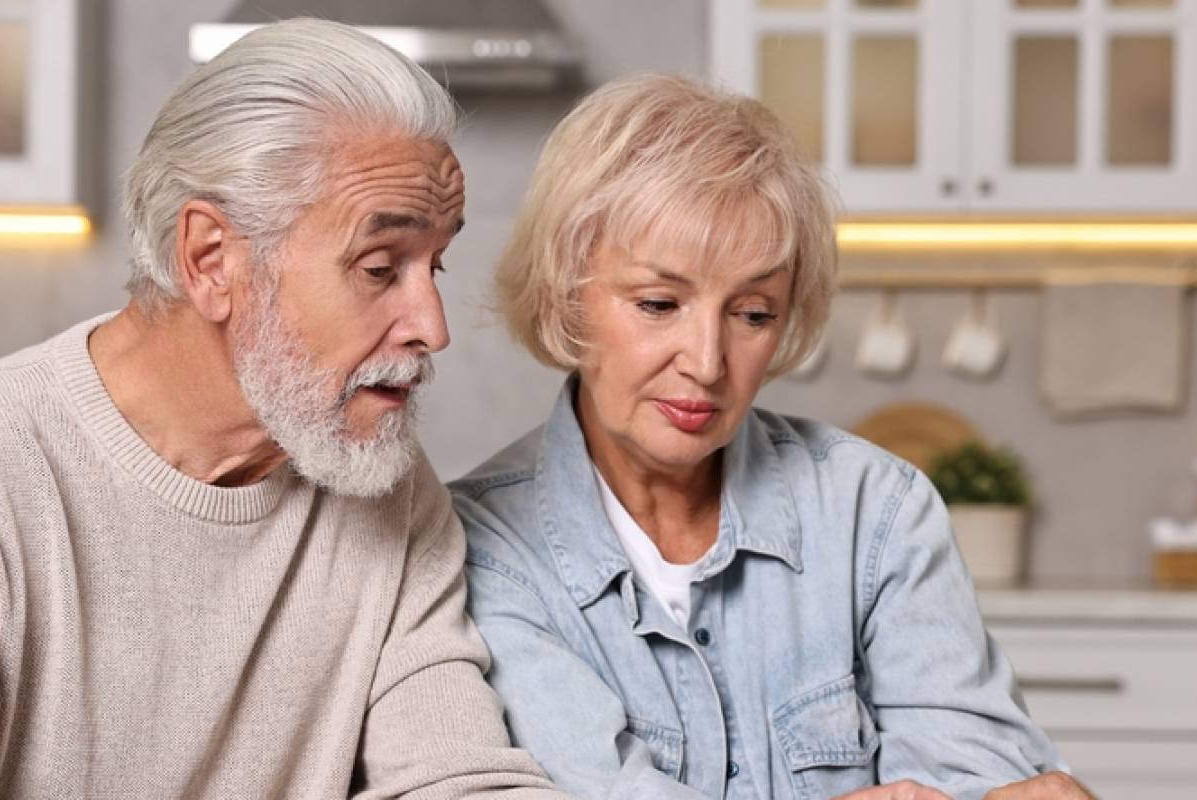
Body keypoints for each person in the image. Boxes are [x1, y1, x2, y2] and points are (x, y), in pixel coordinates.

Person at [0, 19, 562, 799]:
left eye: (436, 264)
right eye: (380, 266)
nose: (433, 325)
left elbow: (454, 779)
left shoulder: (390, 490)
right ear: (211, 261)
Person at [451, 74, 1088, 800]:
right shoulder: (480, 552)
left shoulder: (874, 511)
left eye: (753, 314)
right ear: (567, 296)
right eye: (660, 303)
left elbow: (974, 773)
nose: (708, 362)